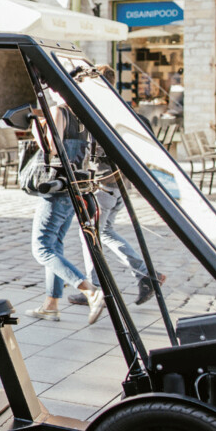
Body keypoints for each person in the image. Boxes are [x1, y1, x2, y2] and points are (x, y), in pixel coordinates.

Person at [68, 66, 165, 315]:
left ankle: (95, 287)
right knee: (105, 231)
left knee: (89, 234)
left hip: (104, 184)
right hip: (120, 185)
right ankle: (146, 274)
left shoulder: (98, 113)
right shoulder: (125, 111)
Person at [24, 88, 106, 323]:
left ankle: (90, 290)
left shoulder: (59, 111)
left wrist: (37, 128)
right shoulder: (83, 115)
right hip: (75, 186)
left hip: (57, 186)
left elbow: (51, 148)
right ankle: (51, 305)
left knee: (42, 248)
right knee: (55, 244)